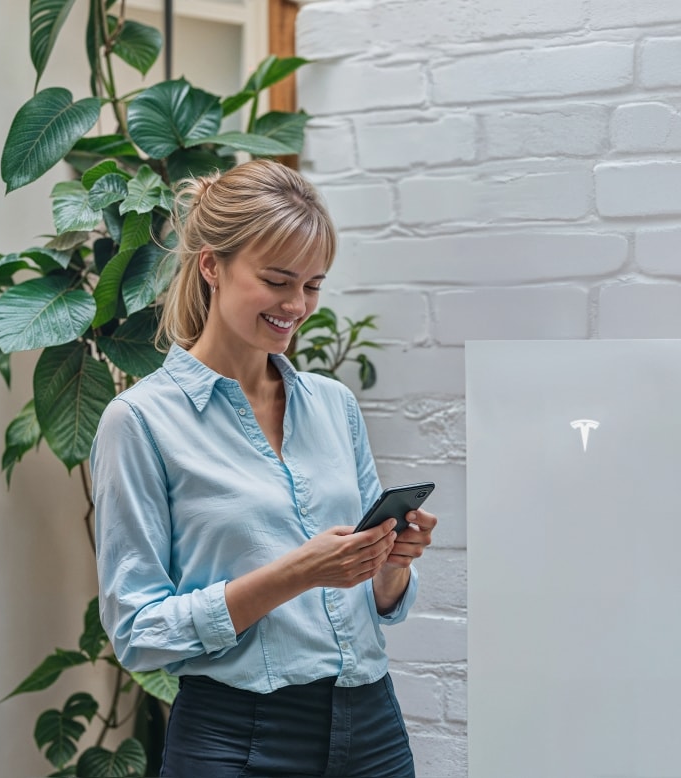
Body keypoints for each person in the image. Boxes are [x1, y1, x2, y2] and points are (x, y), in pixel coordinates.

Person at [91, 159, 435, 778]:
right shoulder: (139, 421)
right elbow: (137, 632)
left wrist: (387, 570)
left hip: (372, 726)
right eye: (278, 280)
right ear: (210, 266)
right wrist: (295, 574)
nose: (296, 305)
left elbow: (371, 600)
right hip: (235, 739)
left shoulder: (335, 406)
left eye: (313, 285)